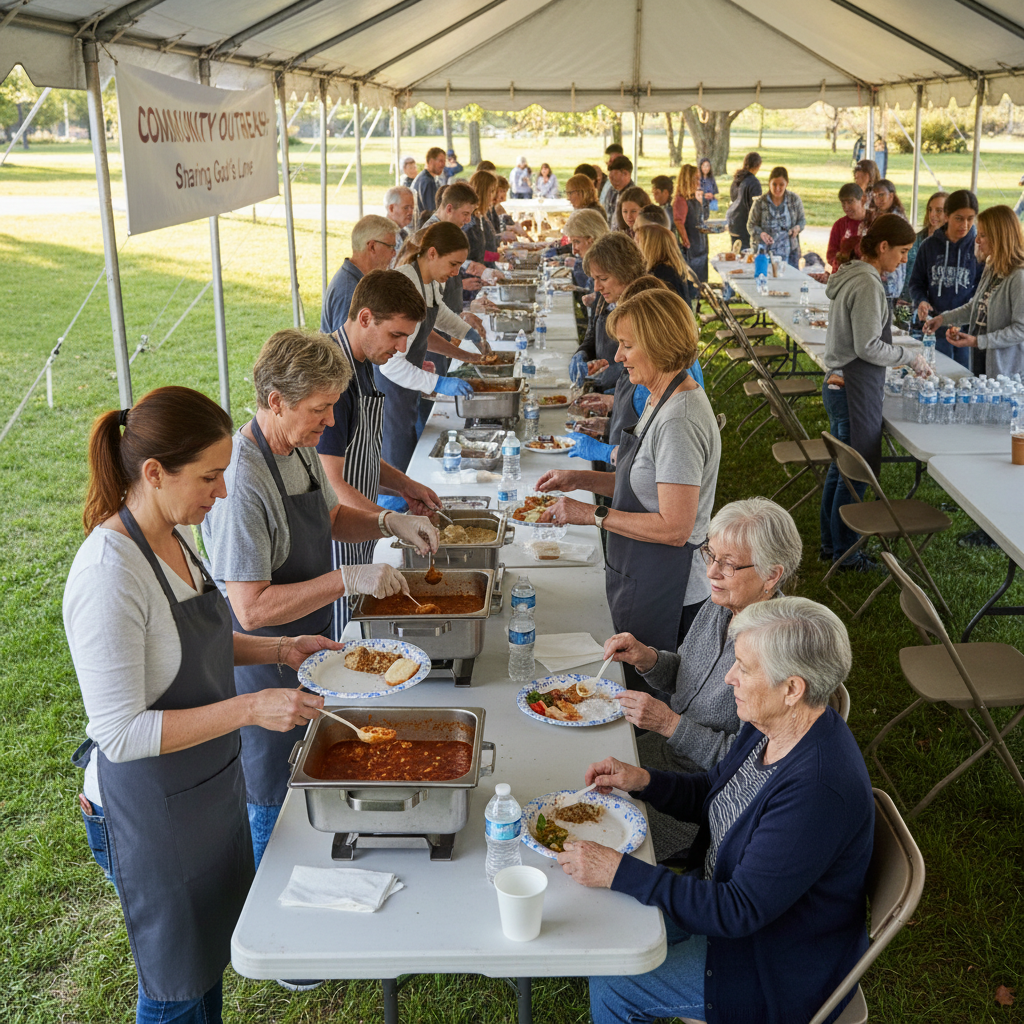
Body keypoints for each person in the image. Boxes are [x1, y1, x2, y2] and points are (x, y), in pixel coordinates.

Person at [64, 387, 344, 1018]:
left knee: (205, 972)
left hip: (203, 788)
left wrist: (280, 651)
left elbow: (203, 639)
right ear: (154, 473)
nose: (221, 494)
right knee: (177, 991)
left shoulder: (174, 534)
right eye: (210, 477)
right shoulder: (110, 571)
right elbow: (120, 733)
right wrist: (250, 710)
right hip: (146, 814)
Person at [565, 598, 872, 1024]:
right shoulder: (772, 725)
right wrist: (643, 781)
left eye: (744, 668)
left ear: (792, 688)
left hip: (768, 964)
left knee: (616, 977)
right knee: (610, 929)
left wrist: (619, 870)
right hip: (724, 907)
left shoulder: (818, 789)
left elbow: (738, 910)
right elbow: (716, 791)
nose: (730, 678)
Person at [201, 334, 434, 868]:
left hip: (310, 649)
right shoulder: (242, 481)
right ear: (276, 400)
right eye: (320, 408)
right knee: (271, 803)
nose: (330, 422)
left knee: (314, 784)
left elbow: (329, 518)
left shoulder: (296, 445)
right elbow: (251, 609)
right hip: (263, 665)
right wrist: (346, 579)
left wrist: (386, 521)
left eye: (332, 405)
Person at [601, 497, 801, 861]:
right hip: (660, 756)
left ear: (772, 575)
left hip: (700, 800)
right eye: (710, 554)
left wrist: (669, 723)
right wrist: (649, 659)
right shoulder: (721, 603)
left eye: (729, 564)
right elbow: (690, 676)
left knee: (596, 836)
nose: (711, 573)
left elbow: (747, 769)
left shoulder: (777, 654)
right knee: (580, 774)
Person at [539, 289, 721, 673]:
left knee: (644, 695)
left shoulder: (680, 421)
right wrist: (577, 478)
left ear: (657, 344)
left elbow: (675, 527)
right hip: (641, 571)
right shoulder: (658, 396)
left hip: (670, 589)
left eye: (626, 346)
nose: (618, 356)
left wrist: (593, 514)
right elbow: (642, 483)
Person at [318, 270, 450, 637]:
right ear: (364, 318)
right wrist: (394, 521)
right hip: (335, 540)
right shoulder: (333, 379)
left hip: (361, 527)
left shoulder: (362, 364)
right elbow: (333, 482)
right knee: (345, 636)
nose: (403, 347)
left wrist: (406, 485)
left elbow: (359, 454)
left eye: (407, 336)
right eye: (396, 334)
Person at [820, 215, 929, 571]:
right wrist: (908, 357)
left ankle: (831, 544)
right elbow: (868, 346)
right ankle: (846, 552)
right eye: (901, 252)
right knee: (855, 476)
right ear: (882, 247)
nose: (903, 260)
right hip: (852, 387)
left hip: (839, 383)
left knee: (842, 471)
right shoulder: (867, 283)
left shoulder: (851, 274)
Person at [377, 222, 482, 473]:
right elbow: (390, 365)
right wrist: (438, 383)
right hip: (390, 392)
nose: (457, 272)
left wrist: (467, 333)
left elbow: (437, 316)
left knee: (410, 458)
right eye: (453, 264)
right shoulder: (406, 284)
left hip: (407, 388)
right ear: (432, 253)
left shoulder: (431, 281)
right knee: (396, 467)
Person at [924, 204, 1024, 381]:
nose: (977, 240)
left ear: (1000, 237)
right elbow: (975, 307)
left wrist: (978, 341)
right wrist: (942, 319)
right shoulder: (992, 265)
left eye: (983, 235)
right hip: (981, 360)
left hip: (1006, 372)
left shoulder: (1019, 276)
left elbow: (1020, 330)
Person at [908, 189, 981, 367]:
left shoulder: (979, 246)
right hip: (935, 328)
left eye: (970, 218)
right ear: (947, 216)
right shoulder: (929, 246)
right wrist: (921, 301)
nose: (965, 224)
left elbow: (983, 290)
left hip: (967, 331)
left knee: (964, 377)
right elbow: (916, 282)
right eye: (959, 218)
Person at [571, 231, 647, 392]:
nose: (597, 287)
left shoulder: (644, 306)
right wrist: (583, 353)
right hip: (605, 388)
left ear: (625, 272)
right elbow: (592, 335)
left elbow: (650, 366)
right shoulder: (604, 297)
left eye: (603, 279)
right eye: (595, 279)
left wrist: (617, 387)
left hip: (630, 397)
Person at [320, 214, 398, 334]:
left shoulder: (359, 280)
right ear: (372, 247)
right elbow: (343, 349)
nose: (394, 253)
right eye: (390, 247)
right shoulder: (349, 291)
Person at [746, 165, 806, 268]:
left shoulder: (794, 200)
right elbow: (750, 225)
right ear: (769, 183)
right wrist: (761, 234)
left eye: (781, 184)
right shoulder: (760, 202)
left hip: (789, 252)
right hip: (764, 253)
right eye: (774, 184)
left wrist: (797, 228)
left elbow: (802, 220)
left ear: (787, 183)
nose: (777, 188)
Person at [863, 179, 910, 301]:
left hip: (890, 279)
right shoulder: (877, 216)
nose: (878, 199)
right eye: (875, 196)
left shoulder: (896, 219)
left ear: (891, 196)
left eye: (881, 195)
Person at [900, 190, 948, 305]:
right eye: (930, 209)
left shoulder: (954, 246)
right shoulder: (915, 240)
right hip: (906, 302)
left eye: (938, 211)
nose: (932, 214)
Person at [672, 164, 708, 294]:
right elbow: (678, 221)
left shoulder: (693, 197)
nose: (698, 182)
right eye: (696, 179)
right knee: (692, 286)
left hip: (699, 248)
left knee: (700, 284)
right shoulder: (681, 200)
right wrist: (685, 239)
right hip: (692, 250)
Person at [635, 224, 688, 300]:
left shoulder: (661, 272)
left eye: (638, 241)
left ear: (650, 245)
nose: (634, 245)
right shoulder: (668, 268)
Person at [826, 183, 868, 273]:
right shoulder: (839, 225)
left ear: (863, 200)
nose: (846, 207)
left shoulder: (875, 222)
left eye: (850, 202)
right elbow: (830, 254)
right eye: (843, 203)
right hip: (844, 274)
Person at [726, 151, 762, 250]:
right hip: (744, 224)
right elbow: (756, 206)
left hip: (733, 221)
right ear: (757, 165)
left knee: (735, 251)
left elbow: (733, 198)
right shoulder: (754, 182)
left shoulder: (737, 179)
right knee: (744, 253)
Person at [464, 169, 501, 265]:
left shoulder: (481, 217)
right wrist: (499, 257)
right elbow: (475, 256)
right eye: (491, 192)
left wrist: (500, 256)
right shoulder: (469, 222)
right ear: (483, 193)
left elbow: (484, 253)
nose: (494, 197)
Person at [412, 147, 445, 216]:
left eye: (444, 161)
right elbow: (431, 211)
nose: (443, 164)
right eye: (440, 161)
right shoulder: (427, 181)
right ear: (431, 162)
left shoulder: (428, 178)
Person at [604, 154, 635, 223]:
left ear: (625, 173)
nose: (611, 180)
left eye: (614, 177)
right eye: (610, 177)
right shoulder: (611, 191)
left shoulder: (634, 195)